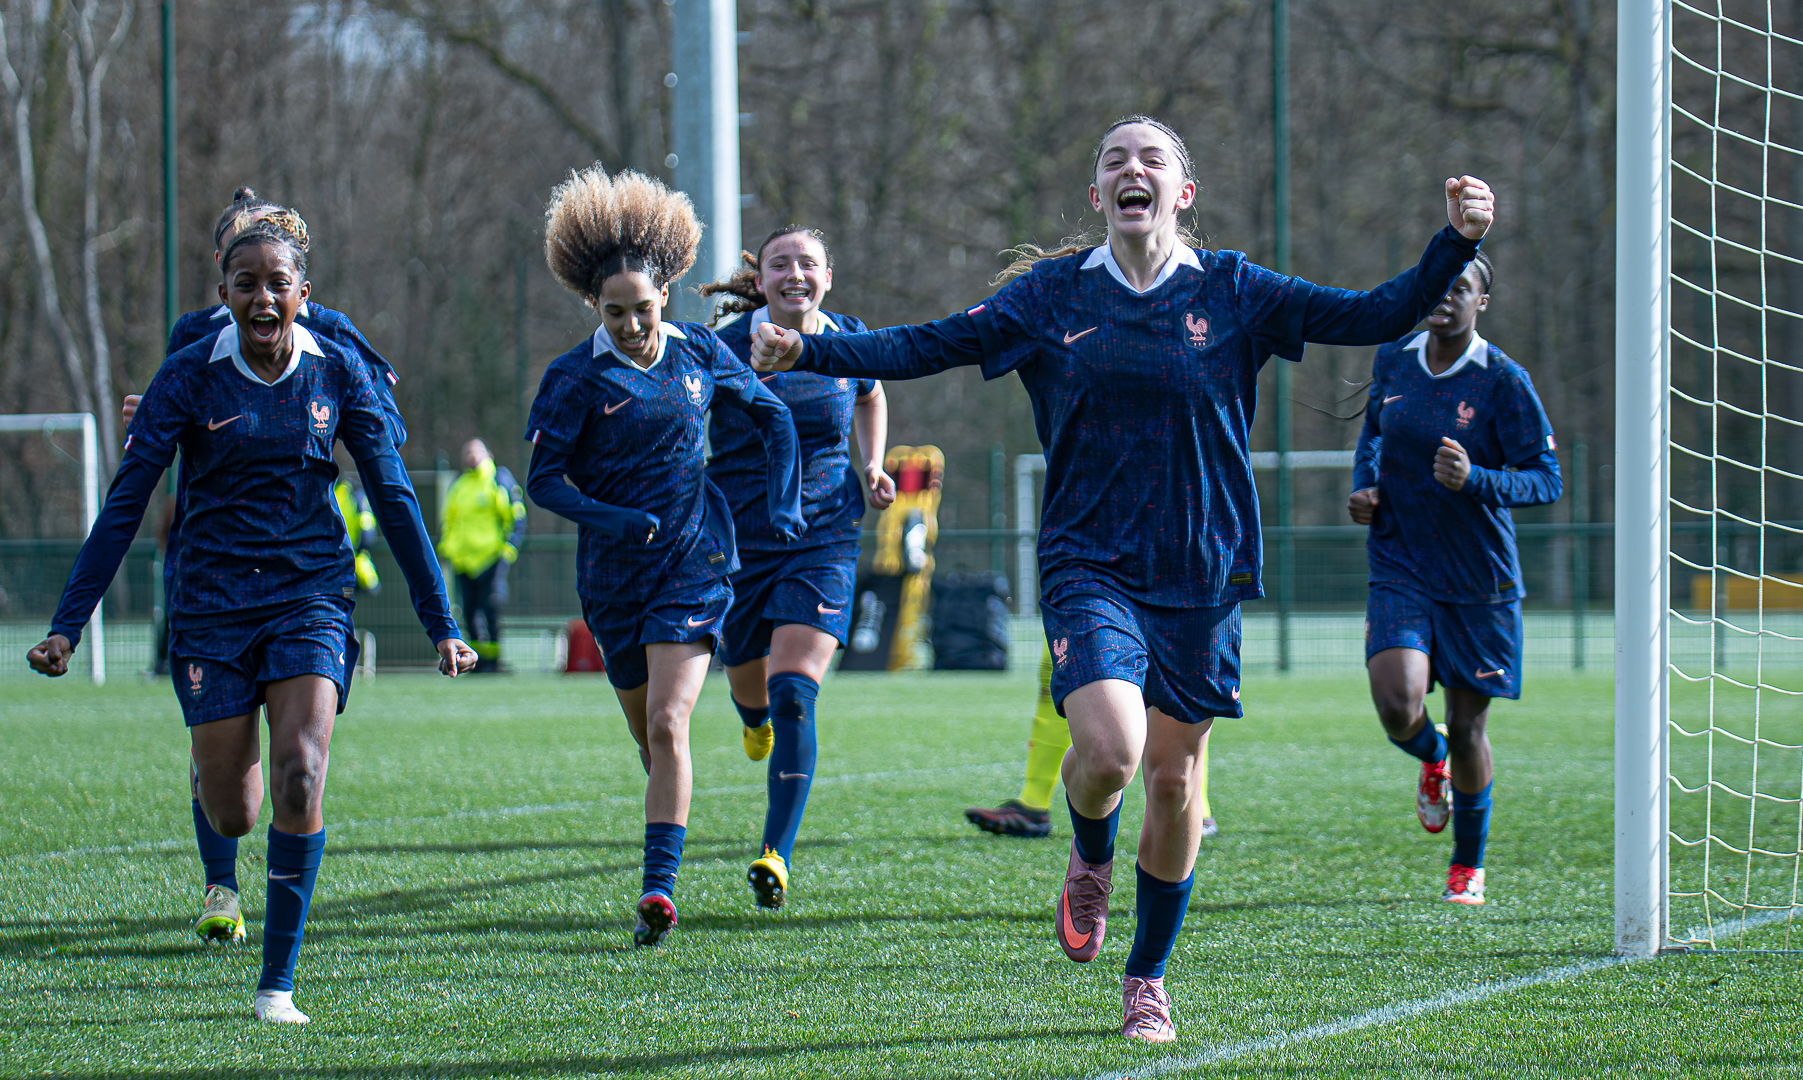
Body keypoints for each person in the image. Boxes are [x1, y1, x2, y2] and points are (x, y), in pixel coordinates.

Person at [749, 115, 1494, 1041]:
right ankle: (1090, 853)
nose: (1130, 170)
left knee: (1175, 787)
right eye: (1113, 161)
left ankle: (1147, 978)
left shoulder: (1234, 290)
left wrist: (1454, 241)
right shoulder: (1052, 296)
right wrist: (807, 347)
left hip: (1202, 566)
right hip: (1087, 559)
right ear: (1097, 196)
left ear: (1182, 193)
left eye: (1152, 160)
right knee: (1109, 753)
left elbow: (1373, 314)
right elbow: (920, 347)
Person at [28, 215, 476, 1025]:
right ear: (223, 295)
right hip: (208, 602)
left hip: (309, 593)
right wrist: (71, 622)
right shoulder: (188, 376)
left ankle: (277, 986)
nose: (264, 296)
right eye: (247, 283)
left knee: (302, 771)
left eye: (279, 282)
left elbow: (394, 495)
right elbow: (128, 500)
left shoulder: (338, 370)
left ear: (306, 294)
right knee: (235, 810)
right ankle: (214, 794)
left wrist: (439, 617)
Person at [120, 189, 413, 950]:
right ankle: (221, 882)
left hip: (300, 567)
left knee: (295, 768)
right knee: (220, 767)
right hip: (213, 564)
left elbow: (390, 420)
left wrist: (365, 410)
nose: (257, 288)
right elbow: (163, 424)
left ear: (296, 274)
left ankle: (276, 965)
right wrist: (145, 414)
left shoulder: (330, 338)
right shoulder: (194, 338)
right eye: (237, 259)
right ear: (222, 273)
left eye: (271, 259)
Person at [524, 165, 803, 947]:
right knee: (648, 736)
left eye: (643, 309)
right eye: (615, 313)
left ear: (666, 298)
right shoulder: (573, 378)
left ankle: (657, 889)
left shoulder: (699, 355)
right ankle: (667, 831)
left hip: (691, 559)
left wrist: (781, 505)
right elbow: (544, 480)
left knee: (670, 721)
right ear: (594, 307)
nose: (632, 325)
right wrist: (613, 518)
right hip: (612, 577)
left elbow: (774, 417)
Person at [1346, 251, 1559, 906]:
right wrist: (1365, 489)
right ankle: (1428, 756)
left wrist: (1477, 481)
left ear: (1481, 302)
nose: (1445, 296)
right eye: (1438, 285)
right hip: (1401, 560)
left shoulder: (1503, 381)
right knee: (1395, 702)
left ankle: (1467, 865)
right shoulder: (1393, 359)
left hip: (1477, 578)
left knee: (1469, 728)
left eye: (1460, 287)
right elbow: (1372, 438)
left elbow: (1545, 479)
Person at [699, 226, 895, 909]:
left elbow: (870, 393)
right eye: (779, 263)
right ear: (760, 280)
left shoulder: (845, 338)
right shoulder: (722, 349)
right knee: (751, 689)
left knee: (793, 693)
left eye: (807, 262)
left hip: (825, 534)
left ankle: (775, 852)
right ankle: (747, 716)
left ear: (827, 276)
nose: (794, 274)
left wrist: (870, 464)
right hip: (740, 541)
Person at [964, 643, 1215, 841]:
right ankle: (1033, 803)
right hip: (1088, 580)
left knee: (1176, 676)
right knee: (1059, 668)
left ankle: (1194, 810)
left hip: (1169, 586)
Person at [439, 438, 526, 672]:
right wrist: (448, 550)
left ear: (489, 454)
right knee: (469, 611)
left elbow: (516, 518)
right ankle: (477, 662)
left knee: (491, 609)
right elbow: (449, 521)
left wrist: (508, 551)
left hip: (491, 559)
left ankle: (495, 661)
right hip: (463, 562)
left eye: (475, 451)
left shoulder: (499, 480)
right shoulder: (459, 485)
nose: (471, 456)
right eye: (467, 451)